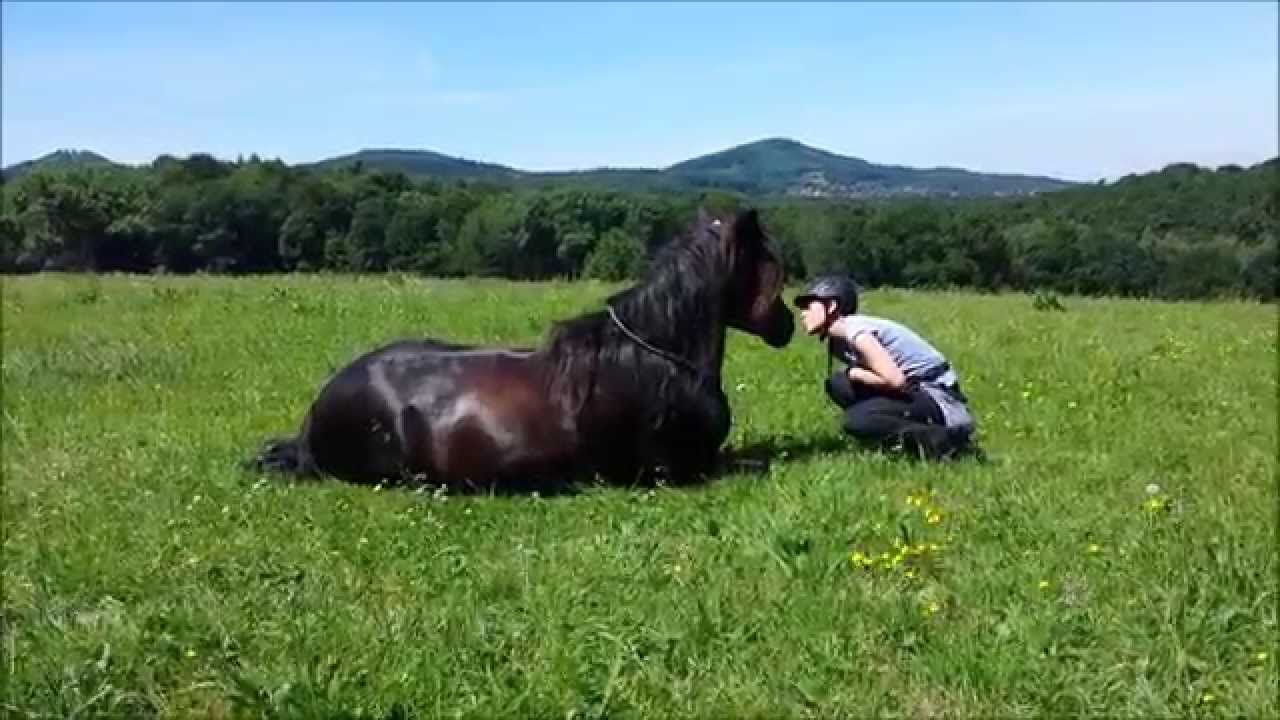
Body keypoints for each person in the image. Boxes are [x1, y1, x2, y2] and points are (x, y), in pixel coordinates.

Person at [793, 274, 980, 461]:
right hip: (916, 391)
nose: (802, 313)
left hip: (940, 399)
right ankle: (891, 436)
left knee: (857, 420)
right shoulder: (839, 342)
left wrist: (855, 374)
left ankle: (941, 441)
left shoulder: (857, 332)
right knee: (838, 384)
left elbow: (895, 381)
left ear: (831, 306)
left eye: (809, 306)